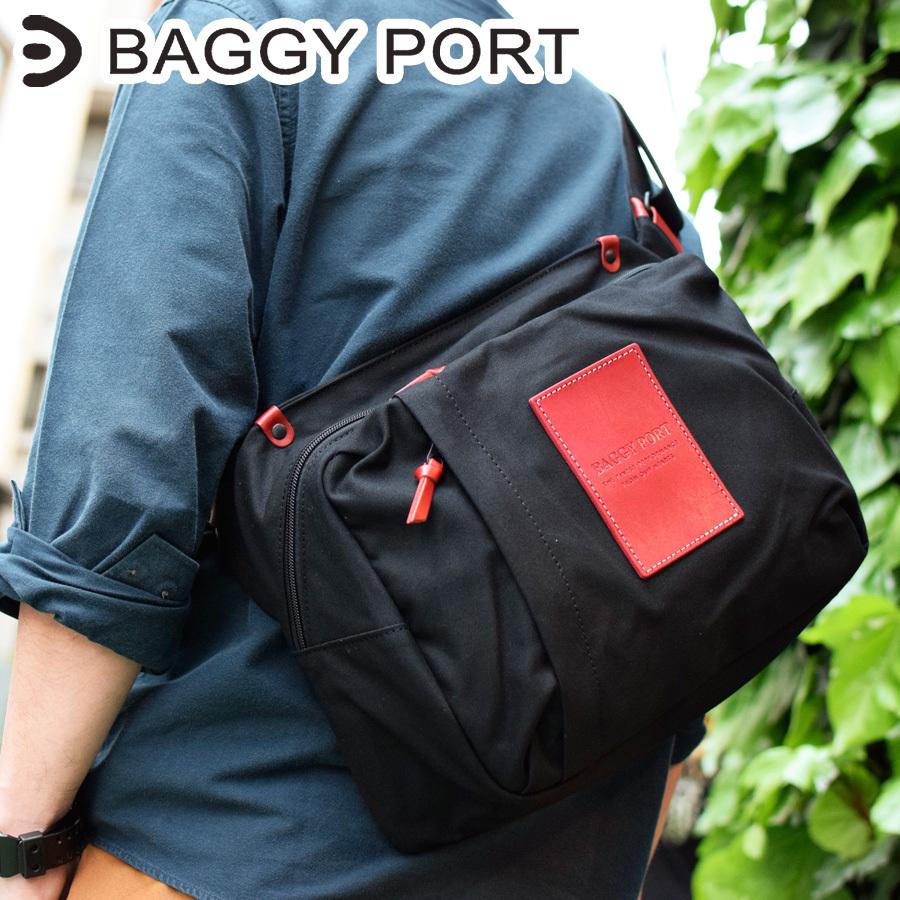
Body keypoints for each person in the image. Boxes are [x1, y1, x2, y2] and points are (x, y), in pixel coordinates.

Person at [0, 0, 707, 897]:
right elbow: (682, 582)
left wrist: (21, 850)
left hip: (239, 844)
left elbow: (118, 491)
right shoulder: (609, 140)